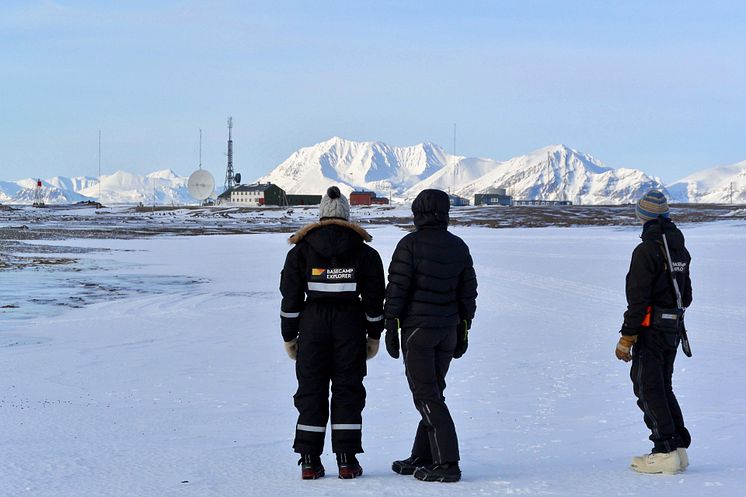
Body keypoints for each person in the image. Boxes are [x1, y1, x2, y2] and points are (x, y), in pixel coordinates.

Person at [280, 186, 385, 480]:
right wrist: (374, 335)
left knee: (311, 391)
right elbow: (375, 301)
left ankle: (310, 462)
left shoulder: (299, 252)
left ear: (321, 214)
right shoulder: (366, 254)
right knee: (347, 391)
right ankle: (347, 461)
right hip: (350, 330)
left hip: (312, 330)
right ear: (347, 215)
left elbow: (290, 301)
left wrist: (289, 337)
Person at [384, 188, 477, 483]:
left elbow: (397, 290)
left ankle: (447, 463)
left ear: (417, 213)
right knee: (433, 392)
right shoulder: (458, 246)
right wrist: (463, 330)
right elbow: (468, 294)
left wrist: (389, 326)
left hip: (419, 333)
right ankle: (423, 455)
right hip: (447, 331)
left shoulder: (409, 245)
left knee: (426, 396)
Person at [615, 189, 692, 474]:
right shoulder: (679, 249)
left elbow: (637, 299)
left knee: (647, 386)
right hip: (672, 329)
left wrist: (627, 336)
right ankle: (677, 448)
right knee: (662, 385)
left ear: (643, 216)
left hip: (650, 330)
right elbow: (688, 295)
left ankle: (664, 450)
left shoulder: (646, 250)